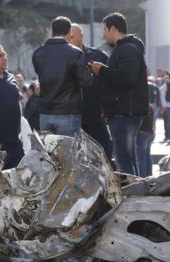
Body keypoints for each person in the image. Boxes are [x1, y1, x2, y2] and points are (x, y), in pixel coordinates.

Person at [88, 12, 149, 175]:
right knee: (127, 158)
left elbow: (127, 77)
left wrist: (102, 70)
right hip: (122, 112)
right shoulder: (124, 48)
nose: (103, 34)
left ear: (113, 28)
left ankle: (132, 194)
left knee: (124, 161)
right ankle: (135, 192)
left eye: (105, 29)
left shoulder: (128, 49)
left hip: (125, 114)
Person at [32, 16, 93, 136]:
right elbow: (86, 81)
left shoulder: (38, 53)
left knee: (49, 153)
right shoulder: (75, 53)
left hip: (45, 112)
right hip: (68, 113)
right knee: (68, 154)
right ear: (70, 31)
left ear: (52, 30)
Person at [69, 23, 113, 163]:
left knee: (105, 151)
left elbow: (110, 83)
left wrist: (107, 108)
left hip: (95, 114)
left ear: (81, 35)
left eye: (72, 36)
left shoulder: (98, 56)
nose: (69, 39)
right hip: (71, 114)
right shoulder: (63, 57)